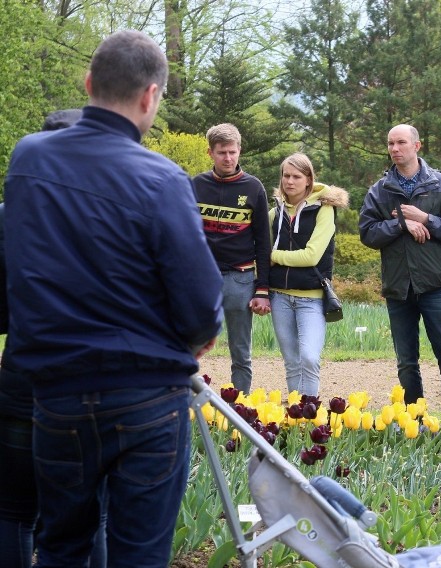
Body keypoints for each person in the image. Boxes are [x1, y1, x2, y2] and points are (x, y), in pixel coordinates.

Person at [3, 30, 223, 567]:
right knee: (139, 555)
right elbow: (199, 301)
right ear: (151, 96)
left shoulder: (28, 160)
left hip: (56, 393)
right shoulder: (162, 178)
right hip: (145, 393)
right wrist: (196, 340)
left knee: (61, 547)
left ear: (87, 83)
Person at [0, 110, 107, 568]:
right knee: (93, 515)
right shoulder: (116, 217)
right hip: (97, 383)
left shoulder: (8, 217)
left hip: (25, 375)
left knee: (13, 512)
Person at [359, 124, 441, 407]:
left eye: (401, 143)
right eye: (390, 143)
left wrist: (425, 218)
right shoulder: (380, 190)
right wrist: (402, 224)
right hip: (398, 288)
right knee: (407, 362)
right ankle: (414, 422)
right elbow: (367, 233)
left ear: (417, 146)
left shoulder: (440, 184)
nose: (395, 148)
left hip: (435, 286)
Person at [194, 123, 272, 394]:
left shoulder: (253, 188)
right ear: (210, 153)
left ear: (240, 151)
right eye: (221, 153)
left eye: (232, 152)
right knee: (190, 344)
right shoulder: (196, 185)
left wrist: (263, 289)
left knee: (240, 351)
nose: (228, 158)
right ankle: (191, 405)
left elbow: (263, 242)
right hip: (201, 279)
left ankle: (241, 410)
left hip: (239, 279)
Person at [268, 153, 348, 396]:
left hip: (312, 298)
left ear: (309, 180)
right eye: (286, 176)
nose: (289, 181)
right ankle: (296, 421)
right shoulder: (274, 214)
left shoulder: (324, 210)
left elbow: (311, 256)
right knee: (292, 362)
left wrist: (273, 256)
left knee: (310, 359)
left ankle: (310, 414)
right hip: (279, 297)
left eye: (296, 176)